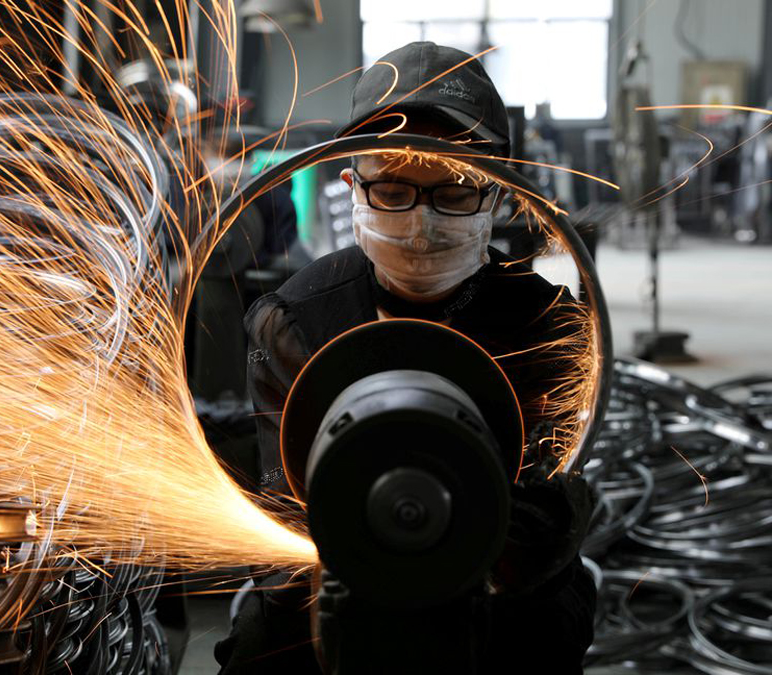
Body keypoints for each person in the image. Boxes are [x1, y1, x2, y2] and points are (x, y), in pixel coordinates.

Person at [215, 42, 596, 674]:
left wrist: (528, 545)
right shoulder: (296, 323)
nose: (421, 223)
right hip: (331, 571)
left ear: (500, 195)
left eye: (455, 190)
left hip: (501, 578)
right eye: (393, 187)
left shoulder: (549, 325)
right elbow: (283, 523)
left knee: (545, 635)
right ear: (352, 187)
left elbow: (555, 496)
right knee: (262, 650)